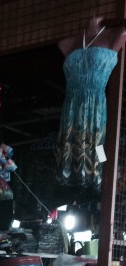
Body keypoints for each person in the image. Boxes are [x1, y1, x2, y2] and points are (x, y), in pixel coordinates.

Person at [56, 17, 126, 188]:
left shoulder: (118, 34)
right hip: (71, 104)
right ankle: (68, 175)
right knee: (69, 140)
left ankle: (99, 172)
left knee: (97, 140)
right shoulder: (66, 43)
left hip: (96, 102)